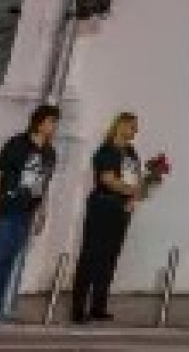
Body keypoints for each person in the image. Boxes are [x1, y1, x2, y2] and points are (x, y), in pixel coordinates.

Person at [0, 104, 59, 334]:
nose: (54, 127)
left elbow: (43, 184)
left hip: (26, 212)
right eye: (51, 121)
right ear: (39, 122)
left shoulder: (50, 152)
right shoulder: (17, 144)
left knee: (8, 260)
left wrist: (42, 211)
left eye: (56, 122)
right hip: (6, 209)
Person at [71, 112, 147, 324]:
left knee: (110, 257)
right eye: (133, 126)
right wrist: (131, 191)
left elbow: (137, 177)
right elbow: (108, 180)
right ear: (120, 126)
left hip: (121, 208)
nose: (136, 131)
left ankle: (98, 306)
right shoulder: (106, 151)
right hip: (103, 205)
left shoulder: (131, 152)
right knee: (91, 256)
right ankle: (78, 309)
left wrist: (139, 190)